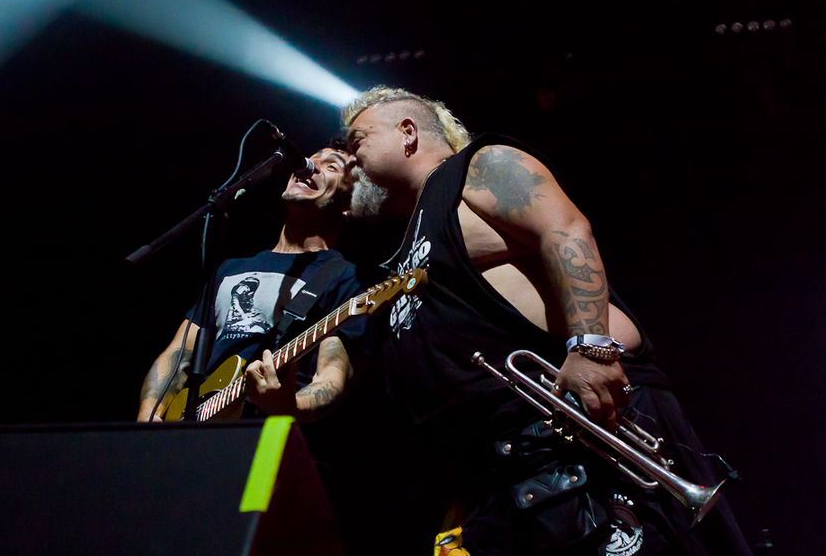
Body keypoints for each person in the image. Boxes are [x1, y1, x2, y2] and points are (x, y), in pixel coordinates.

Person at [342, 87, 752, 556]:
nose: (350, 159)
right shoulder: (408, 237)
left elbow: (565, 230)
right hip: (510, 471)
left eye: (357, 141)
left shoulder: (476, 167)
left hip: (587, 432)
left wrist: (591, 348)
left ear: (408, 133)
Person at [137, 140, 368, 425]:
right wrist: (149, 413)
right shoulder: (230, 269)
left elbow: (331, 378)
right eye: (310, 158)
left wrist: (289, 406)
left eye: (330, 166)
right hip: (194, 427)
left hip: (264, 433)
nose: (309, 166)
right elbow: (179, 354)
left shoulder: (347, 278)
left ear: (350, 204)